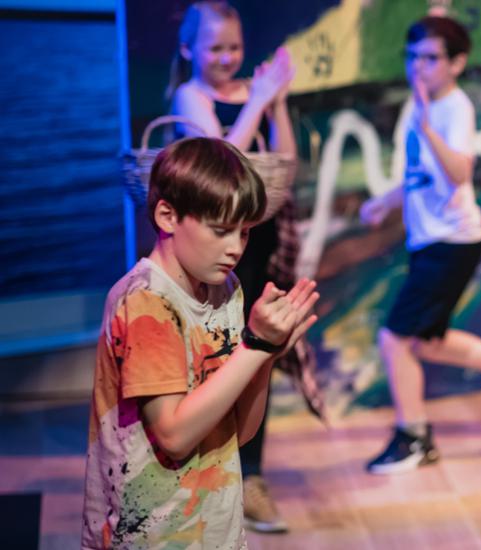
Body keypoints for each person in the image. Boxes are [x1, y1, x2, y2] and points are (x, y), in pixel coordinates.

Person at [81, 137, 319, 548]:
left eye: (245, 233)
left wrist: (267, 356)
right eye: (222, 231)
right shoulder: (145, 302)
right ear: (168, 216)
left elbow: (238, 432)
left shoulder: (227, 289)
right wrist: (255, 347)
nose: (235, 249)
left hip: (215, 531)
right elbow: (174, 436)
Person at [359, 15, 481, 475]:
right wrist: (387, 200)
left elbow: (458, 173)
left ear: (457, 63)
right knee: (427, 341)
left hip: (451, 241)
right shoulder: (422, 107)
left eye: (432, 58)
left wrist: (426, 125)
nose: (420, 66)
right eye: (413, 57)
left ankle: (413, 436)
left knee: (395, 338)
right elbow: (423, 177)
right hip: (430, 240)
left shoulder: (452, 108)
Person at [167, 0, 303, 532]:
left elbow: (284, 162)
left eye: (234, 47)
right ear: (188, 50)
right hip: (215, 248)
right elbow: (217, 160)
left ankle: (253, 475)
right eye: (215, 47)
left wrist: (279, 104)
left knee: (258, 357)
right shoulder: (189, 95)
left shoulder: (257, 94)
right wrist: (258, 102)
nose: (227, 58)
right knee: (214, 356)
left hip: (261, 241)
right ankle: (203, 466)